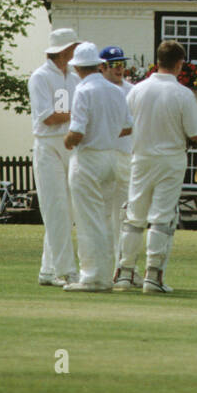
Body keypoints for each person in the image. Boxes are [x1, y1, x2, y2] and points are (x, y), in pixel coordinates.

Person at [115, 39, 197, 294]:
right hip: (171, 159)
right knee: (162, 217)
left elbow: (125, 124)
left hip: (141, 157)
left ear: (157, 61)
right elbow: (196, 133)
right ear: (179, 64)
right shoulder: (183, 94)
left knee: (134, 216)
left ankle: (125, 272)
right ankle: (153, 275)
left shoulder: (137, 90)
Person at [63, 42, 134, 292]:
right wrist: (107, 133)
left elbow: (77, 133)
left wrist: (67, 141)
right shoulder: (115, 91)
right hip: (112, 157)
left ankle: (93, 276)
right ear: (98, 65)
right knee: (104, 219)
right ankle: (104, 275)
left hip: (89, 159)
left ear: (78, 68)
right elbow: (128, 126)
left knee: (88, 220)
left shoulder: (83, 90)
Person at [28, 28, 80, 287]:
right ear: (62, 50)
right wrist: (80, 113)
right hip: (48, 146)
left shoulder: (73, 77)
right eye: (72, 49)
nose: (74, 53)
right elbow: (47, 117)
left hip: (70, 144)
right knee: (56, 209)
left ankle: (48, 270)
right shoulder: (40, 77)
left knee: (67, 210)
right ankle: (65, 271)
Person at [99, 45, 136, 277]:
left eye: (122, 64)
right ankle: (100, 268)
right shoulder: (97, 90)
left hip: (125, 157)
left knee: (125, 217)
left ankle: (123, 268)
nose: (119, 69)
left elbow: (133, 125)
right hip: (103, 158)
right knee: (103, 216)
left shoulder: (132, 90)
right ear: (103, 67)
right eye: (114, 65)